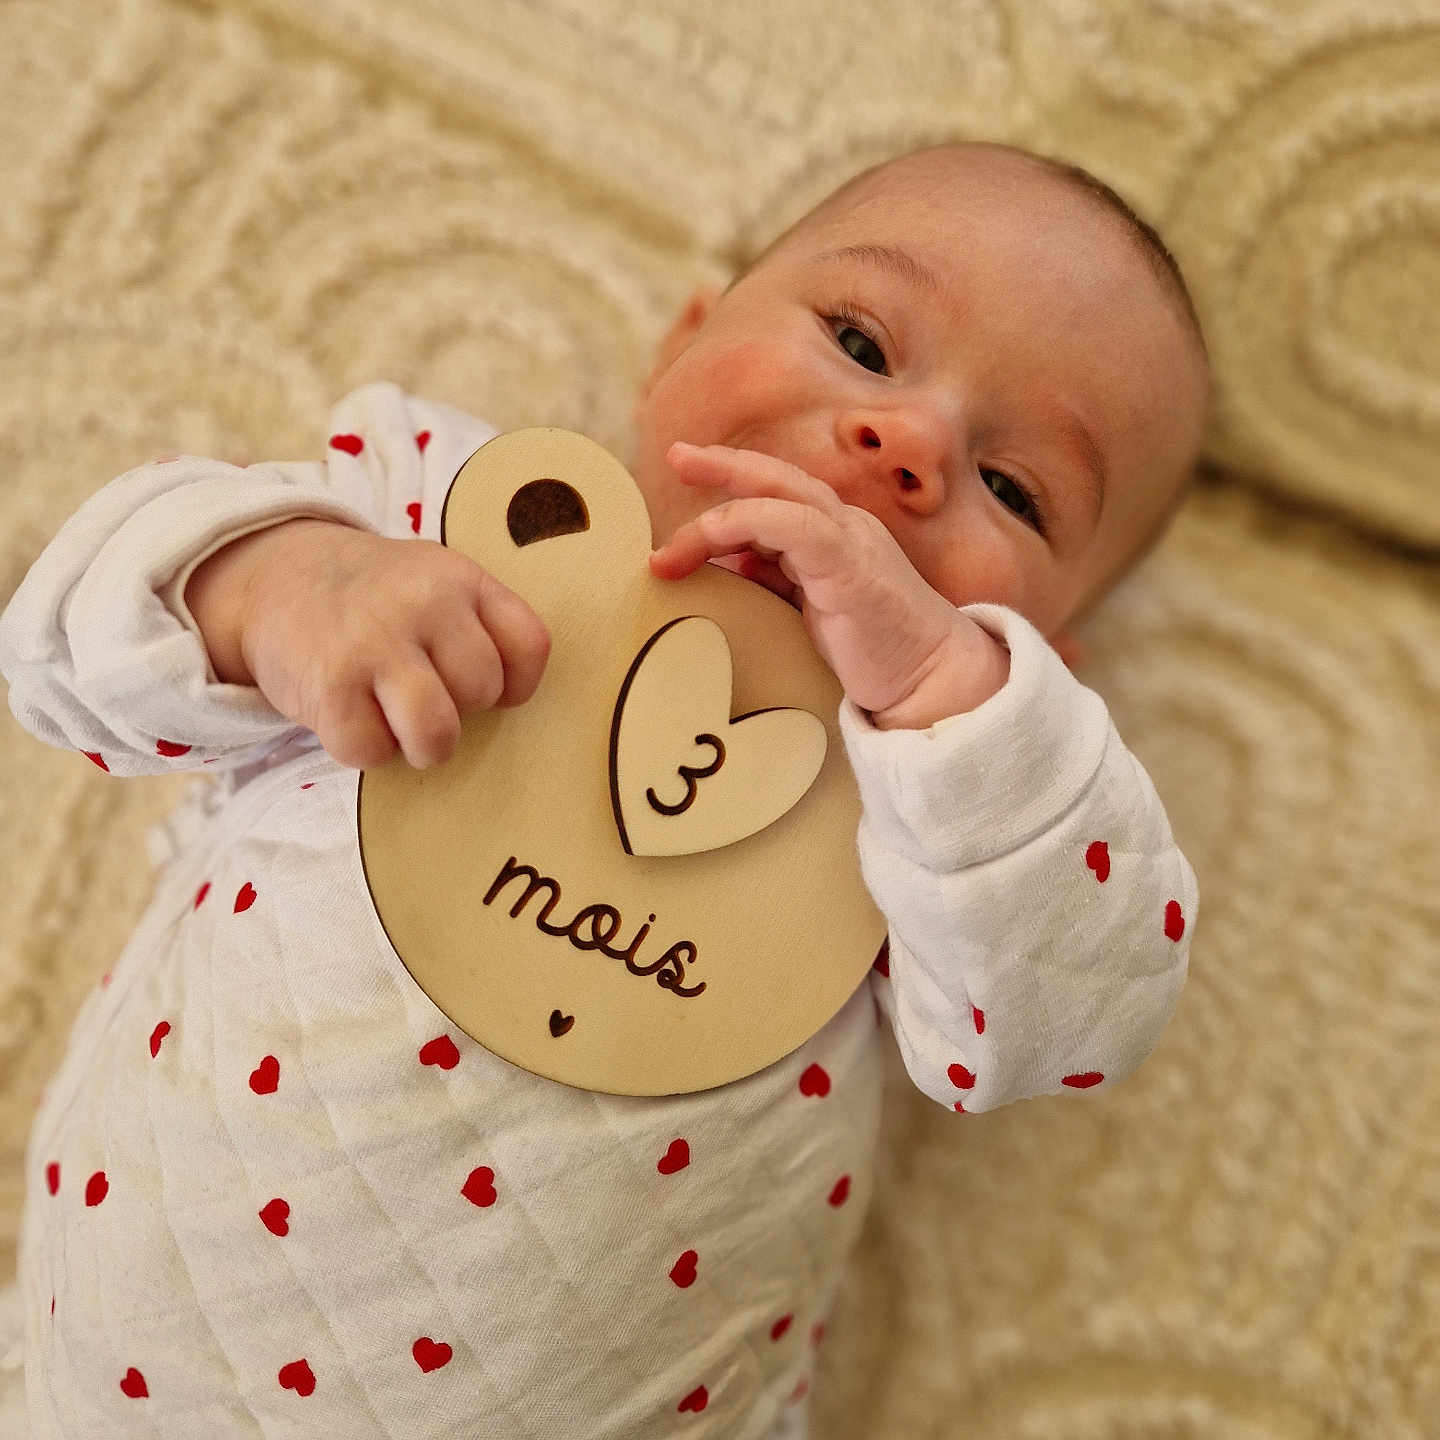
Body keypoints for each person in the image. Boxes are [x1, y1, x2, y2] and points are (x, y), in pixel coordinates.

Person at [0, 141, 1208, 1438]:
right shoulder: (460, 517)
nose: (906, 439)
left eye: (1017, 490)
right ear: (681, 343)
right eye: (860, 340)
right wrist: (278, 586)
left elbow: (1070, 1019)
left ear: (1046, 660)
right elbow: (66, 650)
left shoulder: (938, 810)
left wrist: (958, 709)